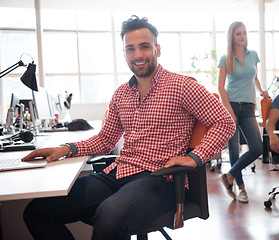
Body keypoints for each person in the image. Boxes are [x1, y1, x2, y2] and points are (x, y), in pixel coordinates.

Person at [21, 16, 236, 240]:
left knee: (109, 216)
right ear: (124, 54)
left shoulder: (183, 86)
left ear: (158, 49)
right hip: (117, 173)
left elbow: (225, 122)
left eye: (145, 46)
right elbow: (105, 140)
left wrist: (195, 157)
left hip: (159, 178)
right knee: (37, 212)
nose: (138, 55)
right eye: (130, 49)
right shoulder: (122, 93)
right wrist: (65, 149)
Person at [218, 21, 269, 203]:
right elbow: (220, 87)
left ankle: (229, 176)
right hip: (231, 105)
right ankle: (241, 188)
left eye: (244, 33)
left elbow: (254, 77)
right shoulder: (225, 58)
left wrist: (261, 90)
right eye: (238, 33)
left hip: (248, 107)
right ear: (232, 36)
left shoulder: (253, 55)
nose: (242, 36)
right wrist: (229, 110)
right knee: (234, 149)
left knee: (257, 147)